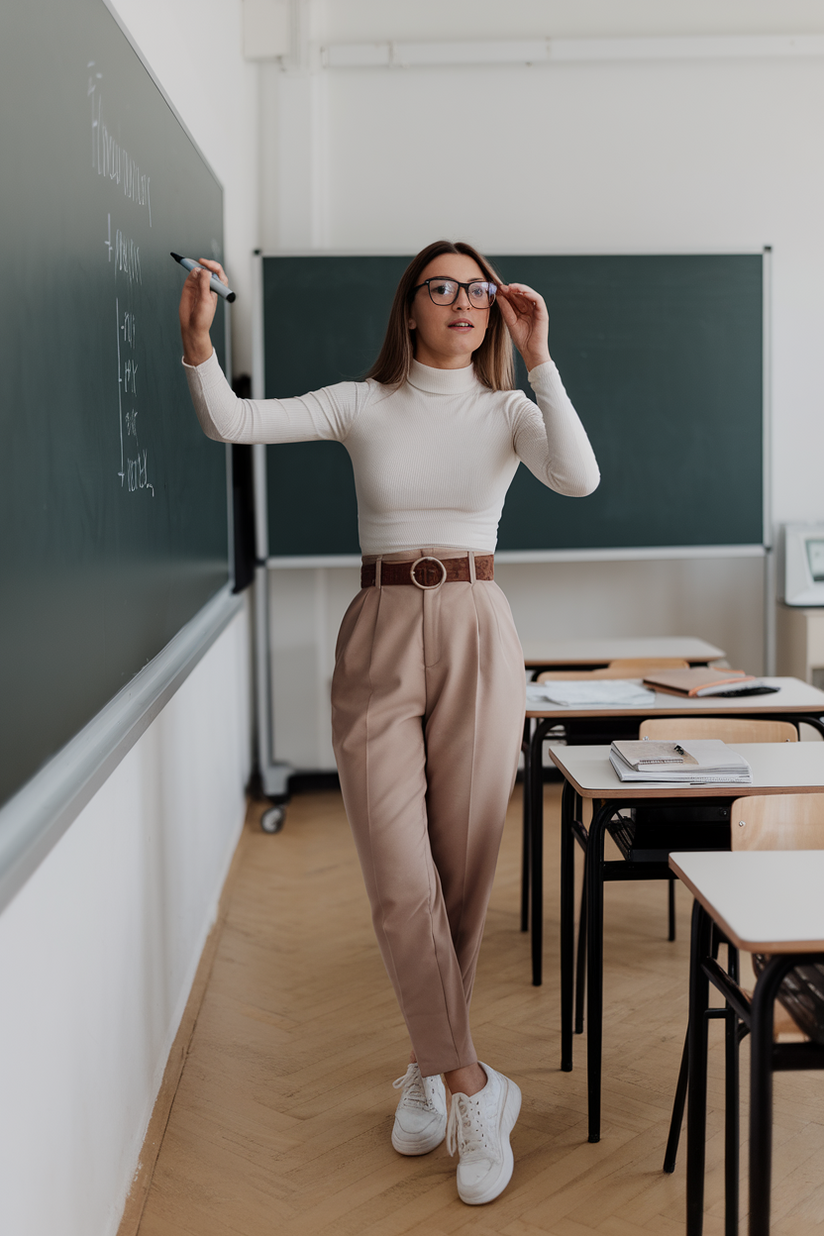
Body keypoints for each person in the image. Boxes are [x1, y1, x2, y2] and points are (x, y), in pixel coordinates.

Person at [178, 240, 600, 1206]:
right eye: (441, 288)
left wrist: (541, 355)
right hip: (377, 626)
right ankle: (473, 1085)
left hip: (477, 628)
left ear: (495, 309)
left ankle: (424, 1063)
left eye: (478, 290)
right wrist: (199, 340)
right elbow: (232, 421)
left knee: (460, 870)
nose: (463, 301)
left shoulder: (510, 410)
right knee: (396, 874)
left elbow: (578, 478)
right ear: (408, 308)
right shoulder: (362, 402)